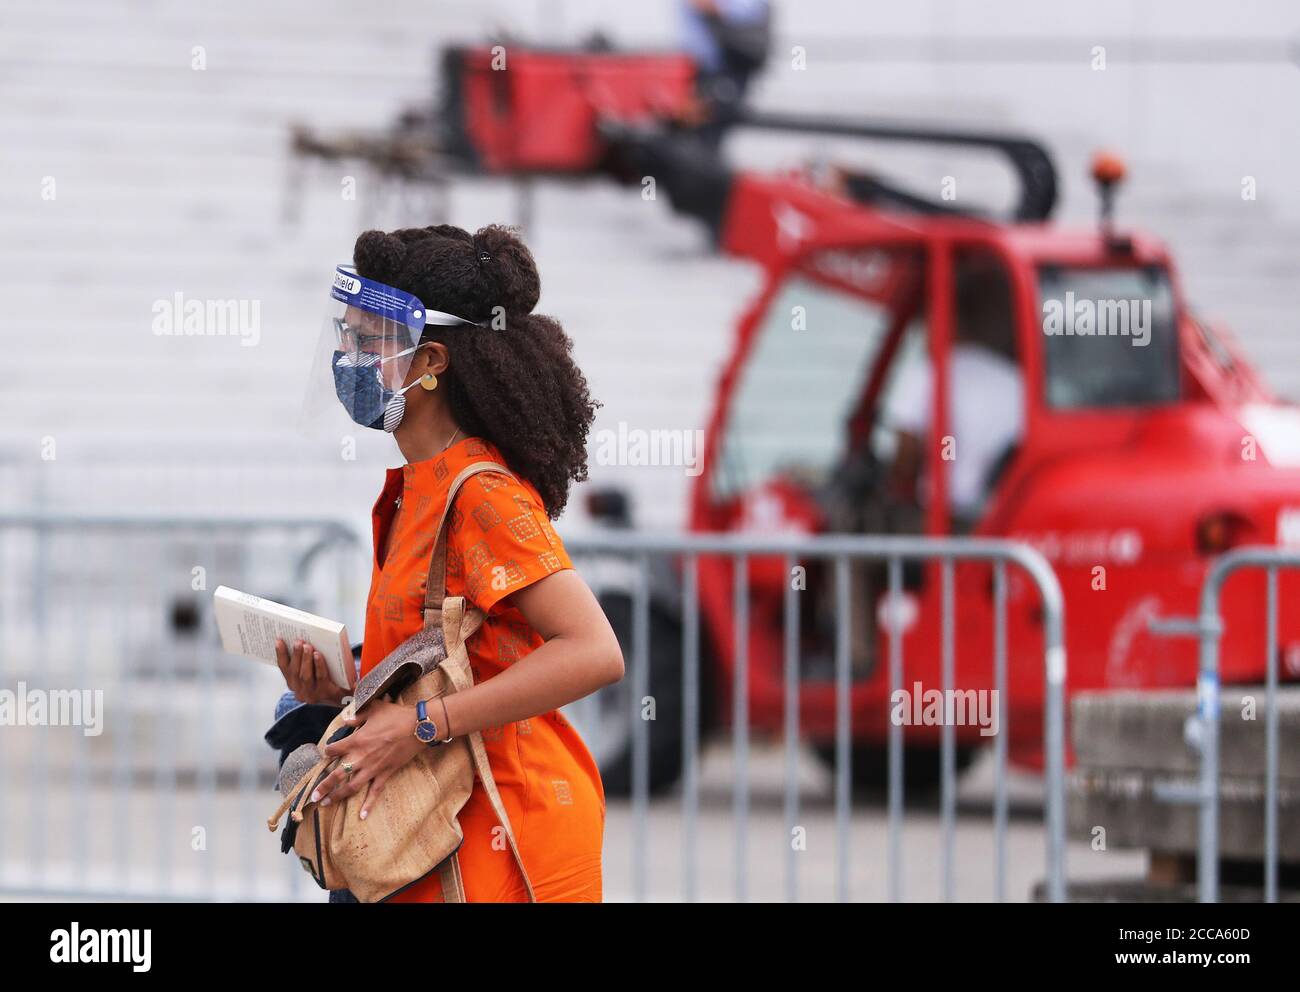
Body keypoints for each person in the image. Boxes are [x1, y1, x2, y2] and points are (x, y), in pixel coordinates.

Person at [277, 223, 622, 902]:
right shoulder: (417, 485)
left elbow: (594, 651)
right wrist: (345, 688)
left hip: (505, 837)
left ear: (431, 361)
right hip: (431, 835)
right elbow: (455, 655)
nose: (347, 357)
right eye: (344, 337)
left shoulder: (483, 495)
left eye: (368, 341)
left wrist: (420, 725)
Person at [882, 258, 1023, 531]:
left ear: (949, 319)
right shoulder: (1016, 382)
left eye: (928, 322)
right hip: (998, 524)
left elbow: (906, 453)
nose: (925, 334)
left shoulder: (929, 373)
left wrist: (895, 481)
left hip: (940, 522)